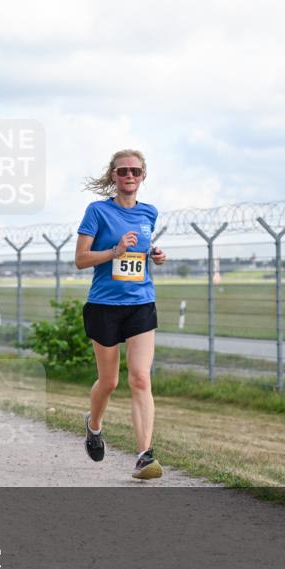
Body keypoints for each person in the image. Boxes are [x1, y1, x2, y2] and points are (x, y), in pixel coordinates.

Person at [75, 149, 168, 480]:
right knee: (110, 381)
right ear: (113, 176)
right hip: (104, 306)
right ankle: (94, 425)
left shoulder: (149, 213)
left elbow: (140, 252)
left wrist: (153, 254)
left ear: (143, 176)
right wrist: (114, 251)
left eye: (136, 171)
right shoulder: (98, 211)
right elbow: (81, 259)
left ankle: (144, 455)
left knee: (141, 377)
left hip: (141, 302)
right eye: (123, 171)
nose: (130, 176)